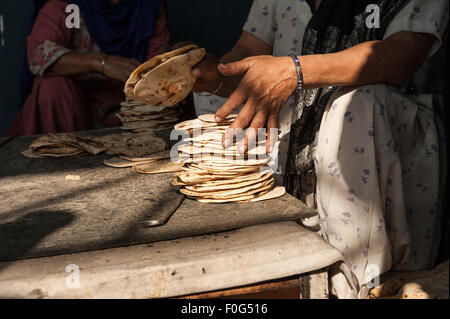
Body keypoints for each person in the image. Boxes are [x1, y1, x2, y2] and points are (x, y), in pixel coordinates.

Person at [192, 0, 448, 298]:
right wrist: (217, 74)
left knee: (357, 102)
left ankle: (357, 283)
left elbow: (399, 55)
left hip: (378, 147)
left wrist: (295, 70)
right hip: (292, 142)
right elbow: (249, 53)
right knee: (213, 111)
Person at [6, 0, 169, 136]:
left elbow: (158, 61)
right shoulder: (69, 5)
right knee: (52, 87)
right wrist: (100, 63)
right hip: (75, 109)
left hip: (129, 107)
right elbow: (40, 55)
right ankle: (62, 158)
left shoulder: (146, 6)